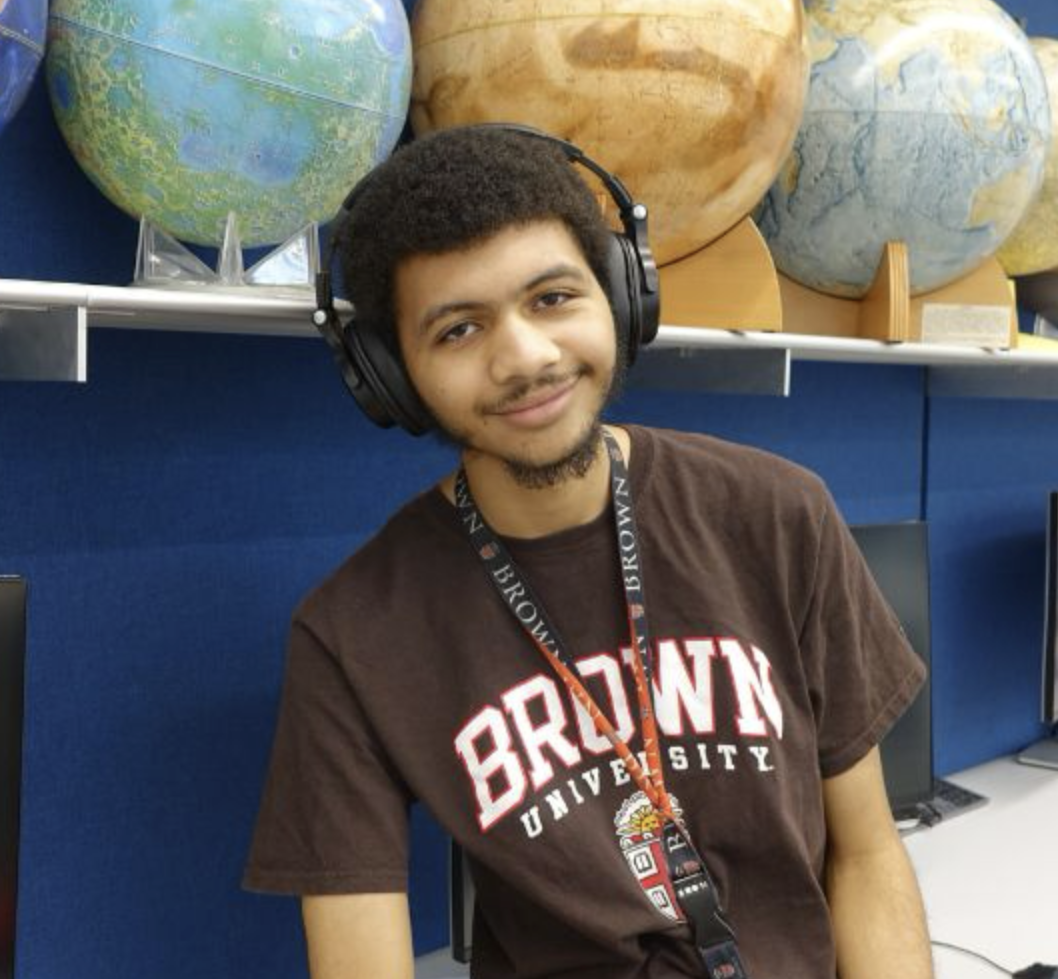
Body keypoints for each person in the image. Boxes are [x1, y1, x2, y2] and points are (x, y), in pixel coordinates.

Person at [243, 125, 933, 979]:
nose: (525, 359)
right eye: (457, 330)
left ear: (620, 294)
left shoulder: (777, 515)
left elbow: (866, 856)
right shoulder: (354, 636)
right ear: (392, 376)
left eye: (553, 298)